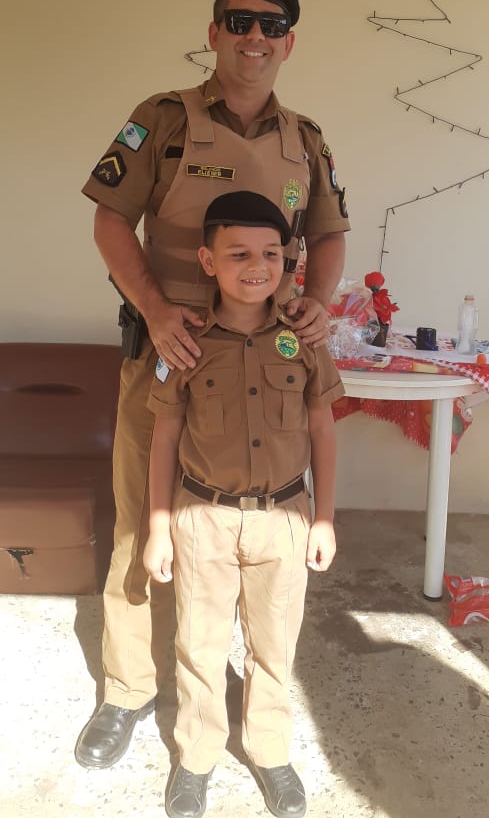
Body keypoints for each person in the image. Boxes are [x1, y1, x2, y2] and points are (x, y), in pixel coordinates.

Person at [76, 0, 350, 769]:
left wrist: (317, 300)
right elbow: (110, 221)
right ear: (214, 33)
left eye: (270, 26)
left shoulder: (306, 140)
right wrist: (156, 311)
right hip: (171, 358)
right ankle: (128, 690)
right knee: (145, 523)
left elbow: (327, 233)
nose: (253, 37)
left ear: (288, 42)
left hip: (270, 371)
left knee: (260, 526)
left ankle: (239, 692)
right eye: (238, 21)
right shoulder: (162, 119)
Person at [143, 190, 344, 818]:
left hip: (284, 520)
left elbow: (322, 428)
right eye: (238, 254)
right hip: (201, 518)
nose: (257, 267)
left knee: (274, 646)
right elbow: (165, 436)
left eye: (271, 254)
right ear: (208, 261)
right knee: (199, 646)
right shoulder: (185, 341)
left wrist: (325, 518)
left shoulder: (303, 339)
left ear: (287, 260)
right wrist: (158, 528)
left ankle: (269, 749)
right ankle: (196, 758)